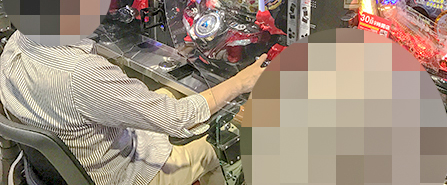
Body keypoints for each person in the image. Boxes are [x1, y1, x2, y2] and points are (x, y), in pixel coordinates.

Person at [0, 29, 268, 185]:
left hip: (57, 170)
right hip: (120, 176)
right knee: (222, 144)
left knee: (170, 91)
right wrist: (240, 82)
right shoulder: (81, 74)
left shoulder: (16, 42)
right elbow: (178, 117)